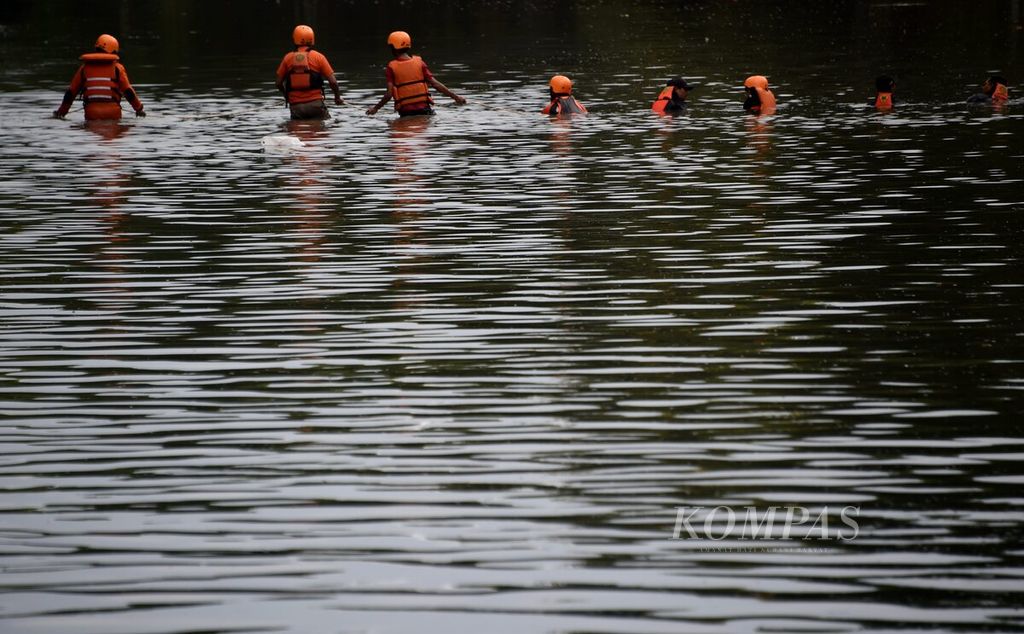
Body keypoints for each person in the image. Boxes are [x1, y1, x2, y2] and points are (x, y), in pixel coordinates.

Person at [366, 31, 466, 117]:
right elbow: (436, 84)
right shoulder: (420, 63)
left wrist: (375, 109)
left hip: (406, 114)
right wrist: (456, 97)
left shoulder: (391, 67)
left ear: (393, 47)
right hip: (426, 112)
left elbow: (389, 95)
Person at [53, 34, 145, 121]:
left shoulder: (84, 68)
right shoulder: (118, 68)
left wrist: (61, 112)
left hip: (91, 115)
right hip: (113, 115)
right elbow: (128, 91)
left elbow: (70, 93)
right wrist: (138, 109)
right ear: (113, 51)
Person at [276, 25, 345, 120]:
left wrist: (286, 96)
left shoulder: (287, 58)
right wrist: (337, 97)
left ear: (295, 39)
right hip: (316, 105)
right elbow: (333, 82)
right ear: (312, 39)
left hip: (296, 107)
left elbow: (278, 83)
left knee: (297, 132)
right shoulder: (319, 57)